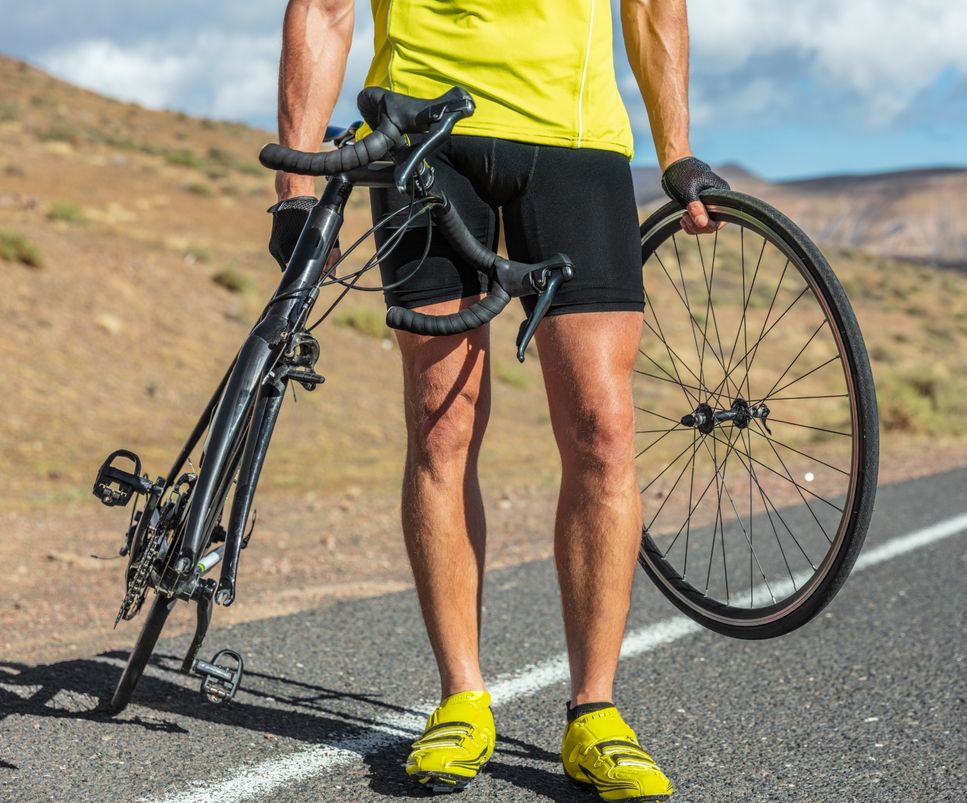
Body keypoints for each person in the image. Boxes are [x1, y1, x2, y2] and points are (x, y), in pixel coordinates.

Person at [269, 0, 728, 798]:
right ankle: (461, 697)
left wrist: (676, 148)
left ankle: (595, 711)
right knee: (442, 426)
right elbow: (325, 6)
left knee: (604, 429)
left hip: (575, 138)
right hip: (423, 132)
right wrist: (296, 186)